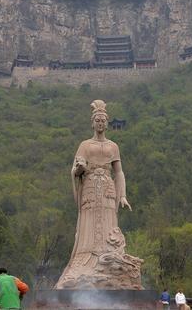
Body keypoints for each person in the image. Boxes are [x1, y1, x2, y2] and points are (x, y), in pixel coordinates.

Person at [55, 100, 142, 290]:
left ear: (107, 123)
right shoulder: (85, 145)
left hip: (108, 189)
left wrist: (122, 195)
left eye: (103, 120)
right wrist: (79, 169)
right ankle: (86, 262)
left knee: (109, 224)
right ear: (92, 123)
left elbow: (119, 172)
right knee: (89, 223)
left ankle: (109, 259)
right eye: (98, 120)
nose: (101, 123)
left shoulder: (113, 146)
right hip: (90, 187)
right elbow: (76, 169)